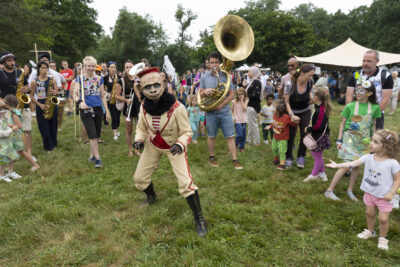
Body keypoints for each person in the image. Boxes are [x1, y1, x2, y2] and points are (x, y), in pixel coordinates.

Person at [133, 67, 207, 237]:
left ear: (164, 84)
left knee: (186, 183)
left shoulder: (177, 107)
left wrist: (181, 144)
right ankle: (151, 197)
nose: (152, 90)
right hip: (153, 145)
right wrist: (138, 140)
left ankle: (199, 218)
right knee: (139, 178)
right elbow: (141, 128)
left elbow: (187, 132)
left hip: (174, 147)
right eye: (147, 87)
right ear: (142, 89)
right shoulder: (144, 107)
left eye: (156, 85)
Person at [326, 130, 400, 251]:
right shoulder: (368, 157)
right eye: (372, 140)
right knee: (369, 214)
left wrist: (392, 193)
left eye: (375, 142)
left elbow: (397, 180)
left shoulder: (393, 163)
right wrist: (338, 165)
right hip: (369, 193)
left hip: (384, 197)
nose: (370, 143)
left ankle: (383, 238)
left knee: (383, 219)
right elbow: (352, 163)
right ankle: (371, 231)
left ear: (385, 146)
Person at [325, 78, 381, 201]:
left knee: (357, 166)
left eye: (362, 90)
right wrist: (339, 139)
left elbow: (373, 125)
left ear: (370, 93)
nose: (358, 93)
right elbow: (342, 123)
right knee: (345, 166)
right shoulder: (350, 106)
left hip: (364, 141)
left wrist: (374, 140)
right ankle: (329, 190)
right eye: (358, 90)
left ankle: (349, 190)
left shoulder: (375, 108)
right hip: (349, 139)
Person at [199, 51, 242, 170]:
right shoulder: (204, 77)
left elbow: (231, 94)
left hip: (224, 111)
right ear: (208, 64)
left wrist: (222, 104)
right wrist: (205, 92)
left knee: (230, 136)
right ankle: (212, 157)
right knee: (211, 136)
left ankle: (235, 159)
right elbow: (200, 94)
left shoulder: (225, 75)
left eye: (216, 63)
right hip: (211, 112)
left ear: (219, 63)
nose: (214, 65)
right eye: (212, 63)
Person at [73, 56, 110, 168]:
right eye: (88, 66)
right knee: (92, 135)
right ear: (84, 66)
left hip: (98, 108)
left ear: (95, 66)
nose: (91, 68)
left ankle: (92, 155)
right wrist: (80, 102)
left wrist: (107, 111)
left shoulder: (99, 79)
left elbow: (102, 96)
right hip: (86, 109)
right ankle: (98, 159)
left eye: (93, 66)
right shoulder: (79, 79)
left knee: (97, 134)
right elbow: (74, 94)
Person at [0, 51, 36, 160]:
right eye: (9, 61)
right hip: (7, 107)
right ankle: (11, 154)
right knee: (10, 132)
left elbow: (28, 87)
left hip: (23, 105)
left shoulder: (20, 73)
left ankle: (29, 153)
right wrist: (4, 104)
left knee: (27, 130)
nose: (12, 62)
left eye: (13, 60)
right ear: (3, 62)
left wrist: (27, 88)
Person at [346, 50, 393, 129]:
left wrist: (371, 116)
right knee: (354, 137)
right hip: (357, 112)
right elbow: (349, 96)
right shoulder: (356, 75)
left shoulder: (385, 75)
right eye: (364, 61)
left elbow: (386, 99)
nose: (365, 64)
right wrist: (350, 112)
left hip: (376, 114)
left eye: (369, 61)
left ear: (377, 61)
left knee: (374, 139)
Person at [284, 64, 315, 168]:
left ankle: (301, 156)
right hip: (292, 111)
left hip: (305, 110)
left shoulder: (310, 82)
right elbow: (286, 102)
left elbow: (310, 92)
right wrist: (292, 115)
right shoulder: (290, 84)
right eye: (309, 75)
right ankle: (288, 157)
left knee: (305, 134)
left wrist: (312, 98)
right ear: (302, 73)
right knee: (290, 135)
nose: (311, 78)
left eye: (312, 75)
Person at [4, 95, 40, 172]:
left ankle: (35, 165)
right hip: (14, 135)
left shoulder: (14, 113)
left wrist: (8, 125)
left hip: (16, 136)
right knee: (12, 152)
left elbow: (19, 125)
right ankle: (10, 168)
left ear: (7, 104)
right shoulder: (15, 111)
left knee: (22, 152)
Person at [303, 88, 332, 182]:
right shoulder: (320, 107)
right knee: (318, 156)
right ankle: (323, 175)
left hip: (319, 136)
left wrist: (308, 129)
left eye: (313, 95)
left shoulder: (321, 110)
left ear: (316, 97)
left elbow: (318, 126)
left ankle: (313, 175)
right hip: (319, 135)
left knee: (317, 157)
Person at [29, 61, 59, 152]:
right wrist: (40, 105)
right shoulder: (34, 81)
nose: (44, 70)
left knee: (53, 126)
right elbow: (31, 96)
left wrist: (56, 92)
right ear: (38, 69)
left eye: (46, 68)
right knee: (44, 127)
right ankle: (48, 147)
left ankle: (54, 144)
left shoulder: (52, 80)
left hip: (51, 103)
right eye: (42, 67)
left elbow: (57, 92)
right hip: (41, 104)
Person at [117, 60, 142, 157]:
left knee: (138, 129)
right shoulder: (121, 80)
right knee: (129, 129)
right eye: (127, 67)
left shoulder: (138, 79)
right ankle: (130, 149)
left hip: (137, 105)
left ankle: (137, 149)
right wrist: (126, 100)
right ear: (124, 69)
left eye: (131, 67)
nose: (129, 69)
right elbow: (116, 96)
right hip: (128, 106)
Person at [270, 99, 297, 170]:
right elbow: (274, 123)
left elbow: (293, 124)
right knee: (274, 148)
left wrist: (295, 121)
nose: (271, 108)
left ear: (279, 109)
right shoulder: (274, 115)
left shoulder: (286, 117)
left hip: (283, 138)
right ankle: (276, 160)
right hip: (275, 136)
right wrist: (270, 126)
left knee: (282, 151)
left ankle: (282, 164)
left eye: (273, 107)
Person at [0, 99, 19, 182]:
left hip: (7, 142)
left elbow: (5, 127)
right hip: (2, 143)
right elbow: (2, 133)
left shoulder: (2, 119)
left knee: (12, 156)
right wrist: (12, 129)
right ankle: (1, 175)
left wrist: (11, 127)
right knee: (3, 160)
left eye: (4, 109)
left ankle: (10, 171)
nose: (3, 111)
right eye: (0, 110)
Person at [103, 61, 122, 141]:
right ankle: (115, 133)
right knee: (114, 116)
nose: (113, 69)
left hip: (118, 99)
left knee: (118, 117)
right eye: (111, 67)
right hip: (110, 100)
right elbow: (101, 89)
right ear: (108, 68)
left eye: (114, 67)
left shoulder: (120, 77)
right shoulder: (105, 78)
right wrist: (107, 94)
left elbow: (122, 87)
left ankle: (117, 129)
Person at [49, 60, 67, 131]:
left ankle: (58, 127)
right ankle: (52, 127)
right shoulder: (46, 75)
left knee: (60, 113)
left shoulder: (59, 75)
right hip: (50, 97)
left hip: (60, 96)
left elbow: (65, 83)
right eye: (51, 66)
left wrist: (64, 90)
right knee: (51, 113)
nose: (52, 67)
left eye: (54, 66)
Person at [246, 66, 262, 146]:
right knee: (250, 124)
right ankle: (249, 139)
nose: (248, 73)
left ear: (254, 72)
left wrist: (245, 96)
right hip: (250, 105)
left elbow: (255, 95)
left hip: (253, 105)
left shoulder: (257, 82)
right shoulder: (252, 82)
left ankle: (256, 142)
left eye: (249, 71)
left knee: (253, 125)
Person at [231, 87, 248, 152]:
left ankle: (241, 147)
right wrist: (233, 117)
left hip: (243, 120)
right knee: (239, 134)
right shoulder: (234, 102)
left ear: (244, 94)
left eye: (242, 94)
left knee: (243, 135)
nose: (240, 95)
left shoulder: (246, 101)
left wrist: (242, 101)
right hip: (237, 120)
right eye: (239, 94)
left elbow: (245, 108)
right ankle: (235, 144)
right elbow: (232, 110)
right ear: (237, 95)